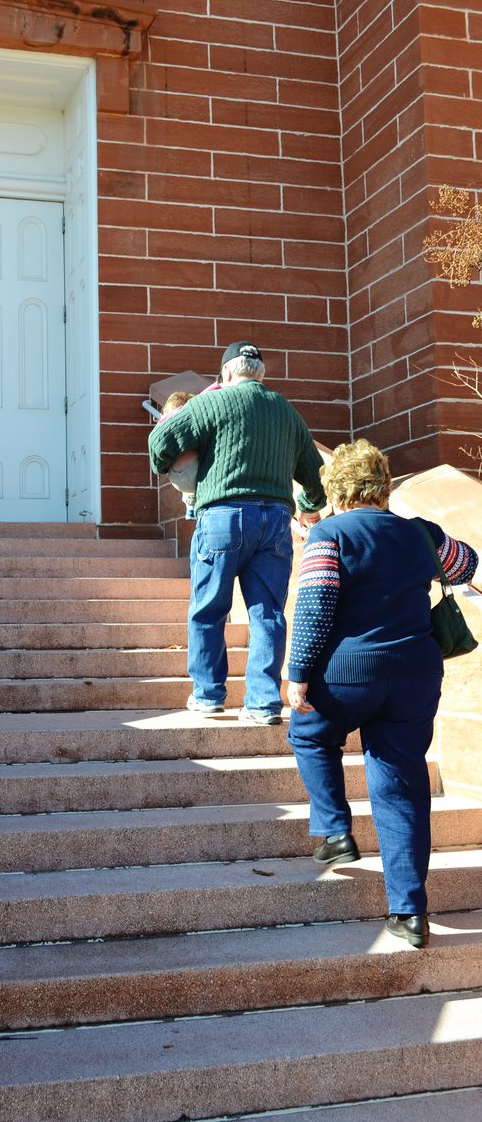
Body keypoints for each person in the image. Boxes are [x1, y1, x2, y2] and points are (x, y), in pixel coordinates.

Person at [286, 439, 478, 948]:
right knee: (402, 787)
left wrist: (298, 671)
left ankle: (334, 830)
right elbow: (467, 564)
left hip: (347, 674)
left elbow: (315, 606)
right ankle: (409, 913)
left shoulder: (327, 535)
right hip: (416, 676)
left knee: (309, 733)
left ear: (336, 490)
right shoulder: (422, 533)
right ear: (383, 486)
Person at [149, 339, 327, 724]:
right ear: (262, 375)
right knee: (268, 614)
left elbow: (159, 441)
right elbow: (315, 474)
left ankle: (209, 695)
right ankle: (263, 704)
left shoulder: (210, 402)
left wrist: (180, 473)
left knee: (209, 610)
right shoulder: (286, 411)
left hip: (222, 518)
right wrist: (309, 507)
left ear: (226, 373)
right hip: (277, 521)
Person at [156, 390, 207, 519]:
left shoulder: (164, 428)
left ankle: (190, 506)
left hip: (175, 477)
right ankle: (196, 504)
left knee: (183, 460)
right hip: (195, 474)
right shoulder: (189, 425)